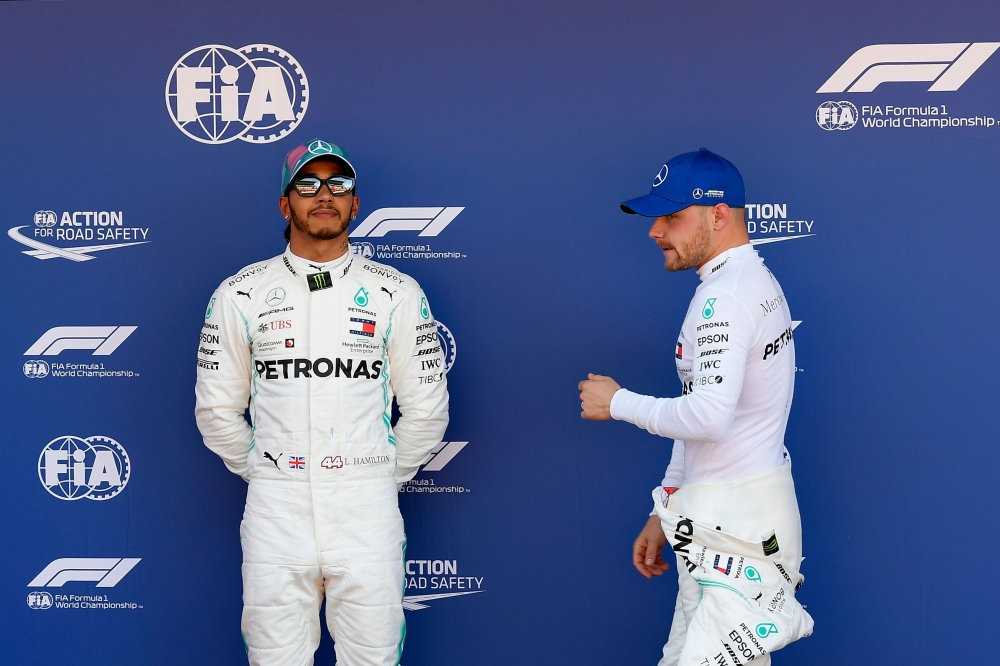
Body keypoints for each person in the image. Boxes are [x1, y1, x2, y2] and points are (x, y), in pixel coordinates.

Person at [195, 139, 449, 666]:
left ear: (356, 204)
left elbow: (427, 410)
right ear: (284, 204)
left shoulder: (397, 292)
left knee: (373, 658)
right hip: (276, 510)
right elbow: (216, 411)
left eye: (339, 184)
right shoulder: (240, 293)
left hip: (366, 510)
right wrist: (268, 470)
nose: (324, 195)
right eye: (308, 185)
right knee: (274, 658)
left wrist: (375, 473)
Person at [578, 149, 813, 665]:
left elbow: (707, 417)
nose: (655, 231)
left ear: (719, 214)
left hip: (736, 529)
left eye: (672, 216)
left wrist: (618, 402)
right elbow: (701, 418)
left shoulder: (725, 297)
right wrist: (665, 504)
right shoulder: (745, 282)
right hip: (721, 521)